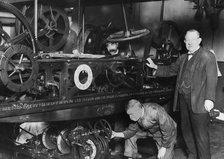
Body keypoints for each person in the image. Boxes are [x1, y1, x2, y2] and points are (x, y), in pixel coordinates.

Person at [146, 29, 218, 159]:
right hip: (183, 101)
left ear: (199, 40)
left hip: (200, 102)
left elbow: (212, 78)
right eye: (187, 40)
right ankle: (192, 156)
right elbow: (171, 70)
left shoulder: (208, 56)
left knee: (201, 136)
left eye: (193, 40)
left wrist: (210, 99)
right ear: (184, 42)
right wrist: (155, 67)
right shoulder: (183, 57)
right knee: (187, 133)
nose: (189, 43)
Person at [111, 99, 177, 159]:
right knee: (131, 136)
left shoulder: (154, 111)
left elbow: (168, 128)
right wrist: (115, 134)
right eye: (129, 115)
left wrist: (164, 147)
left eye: (132, 114)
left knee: (163, 156)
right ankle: (130, 156)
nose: (130, 117)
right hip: (149, 130)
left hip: (166, 133)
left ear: (139, 109)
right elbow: (131, 131)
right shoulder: (136, 116)